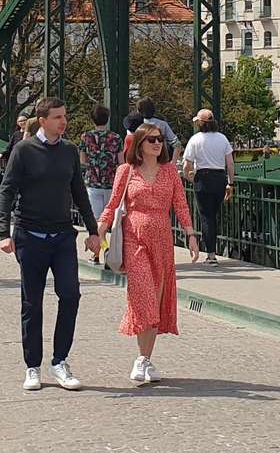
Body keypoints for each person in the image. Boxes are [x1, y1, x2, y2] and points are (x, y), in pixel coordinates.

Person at [0, 98, 101, 392]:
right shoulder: (23, 150)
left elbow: (79, 191)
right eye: (57, 117)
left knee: (71, 295)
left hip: (62, 237)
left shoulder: (69, 150)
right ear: (42, 120)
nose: (63, 122)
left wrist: (93, 231)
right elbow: (7, 190)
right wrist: (4, 232)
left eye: (64, 116)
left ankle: (60, 361)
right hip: (30, 237)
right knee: (32, 303)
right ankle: (32, 366)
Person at [97, 123, 197, 383]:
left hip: (163, 242)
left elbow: (181, 206)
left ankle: (145, 359)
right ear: (139, 144)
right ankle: (143, 360)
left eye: (160, 140)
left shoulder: (170, 173)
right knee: (144, 297)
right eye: (151, 139)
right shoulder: (126, 172)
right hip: (134, 240)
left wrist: (191, 236)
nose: (157, 143)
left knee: (156, 298)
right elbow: (111, 206)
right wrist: (98, 233)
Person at [181, 109, 235, 264]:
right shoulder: (222, 139)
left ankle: (211, 255)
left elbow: (187, 164)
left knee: (206, 217)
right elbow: (230, 163)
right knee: (214, 215)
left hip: (202, 178)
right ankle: (213, 251)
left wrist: (189, 176)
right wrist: (230, 183)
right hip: (219, 178)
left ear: (199, 123)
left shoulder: (195, 139)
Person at [80, 104, 122, 220]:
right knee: (110, 218)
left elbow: (82, 160)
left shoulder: (86, 137)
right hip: (111, 182)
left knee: (96, 219)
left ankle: (100, 238)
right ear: (107, 119)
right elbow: (121, 162)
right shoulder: (116, 137)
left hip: (93, 181)